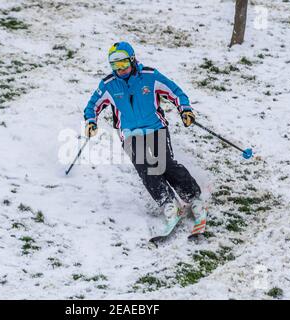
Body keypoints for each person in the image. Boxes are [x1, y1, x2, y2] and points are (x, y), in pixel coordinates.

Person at [83, 42, 206, 235]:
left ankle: (194, 198)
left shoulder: (150, 76)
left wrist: (185, 110)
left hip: (155, 128)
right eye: (115, 66)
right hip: (130, 134)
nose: (120, 70)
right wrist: (91, 121)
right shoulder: (108, 85)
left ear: (132, 60)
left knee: (163, 164)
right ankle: (168, 204)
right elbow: (92, 106)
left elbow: (176, 92)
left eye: (123, 64)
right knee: (146, 168)